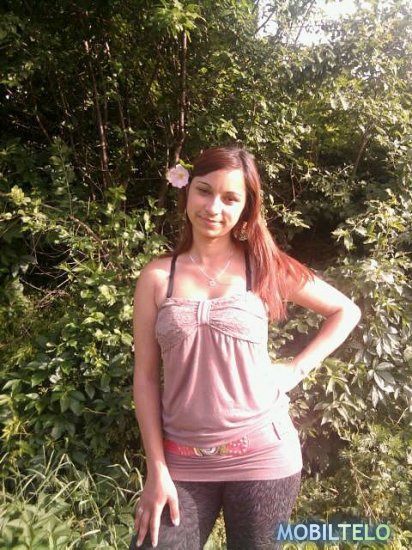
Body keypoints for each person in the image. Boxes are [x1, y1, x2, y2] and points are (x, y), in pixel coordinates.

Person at [130, 146, 361, 550]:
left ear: (246, 209)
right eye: (204, 191)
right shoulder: (156, 277)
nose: (213, 207)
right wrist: (156, 470)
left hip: (263, 457)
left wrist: (295, 370)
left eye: (230, 198)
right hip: (181, 461)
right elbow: (146, 378)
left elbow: (345, 311)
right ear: (187, 191)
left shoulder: (263, 267)